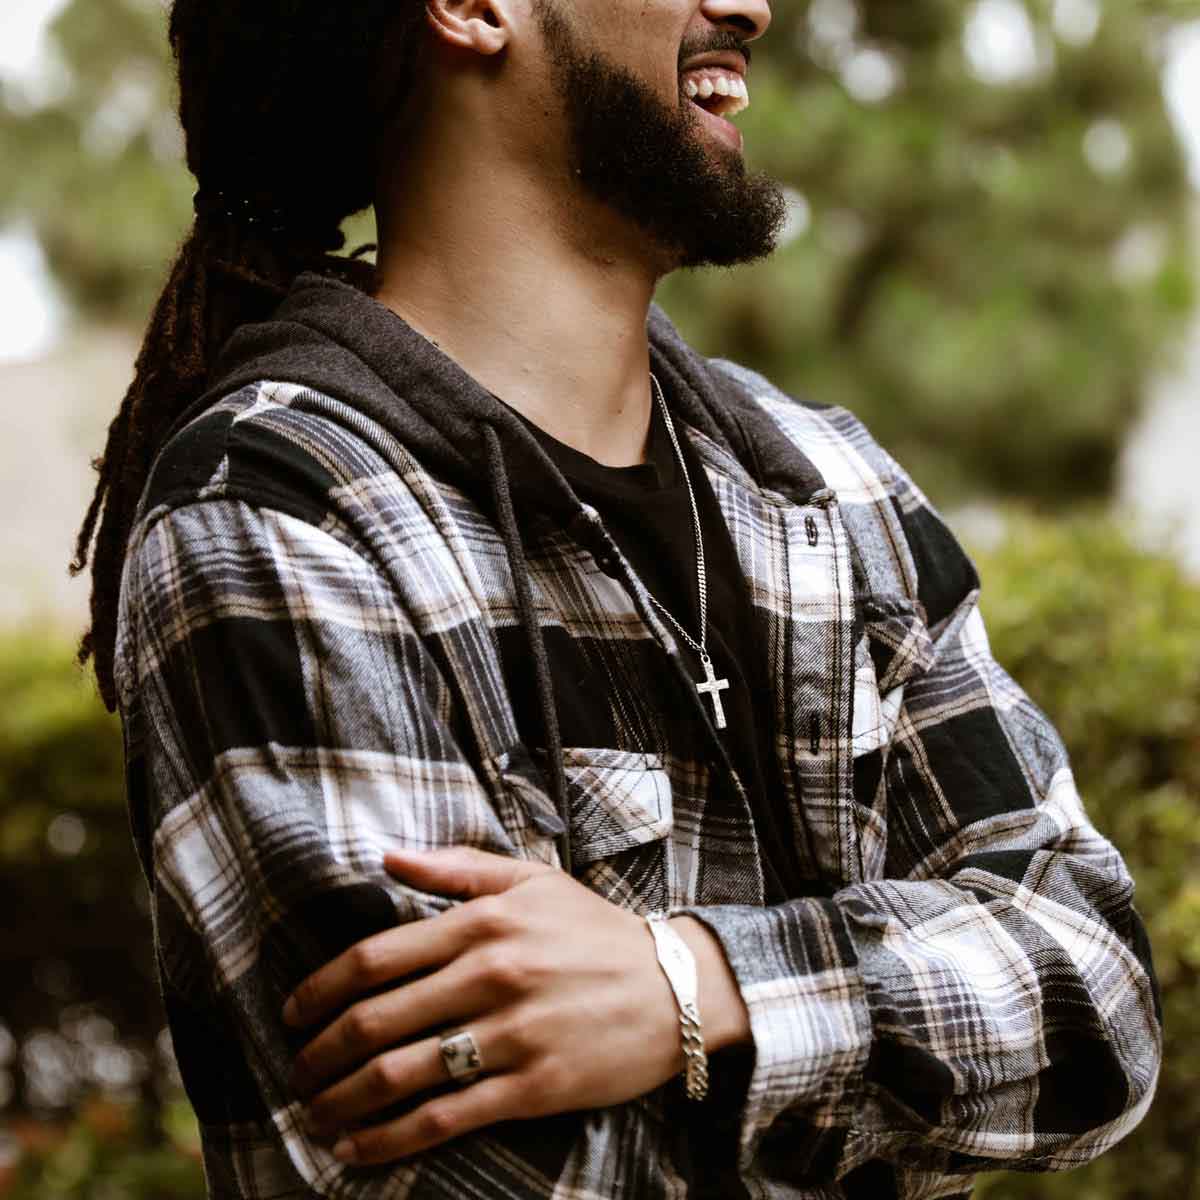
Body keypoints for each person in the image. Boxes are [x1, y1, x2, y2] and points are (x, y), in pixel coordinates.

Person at [71, 0, 1162, 1196]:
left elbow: (1100, 995)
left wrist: (697, 985)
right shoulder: (282, 513)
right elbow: (465, 1169)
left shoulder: (828, 484)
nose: (754, 5)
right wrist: (907, 1010)